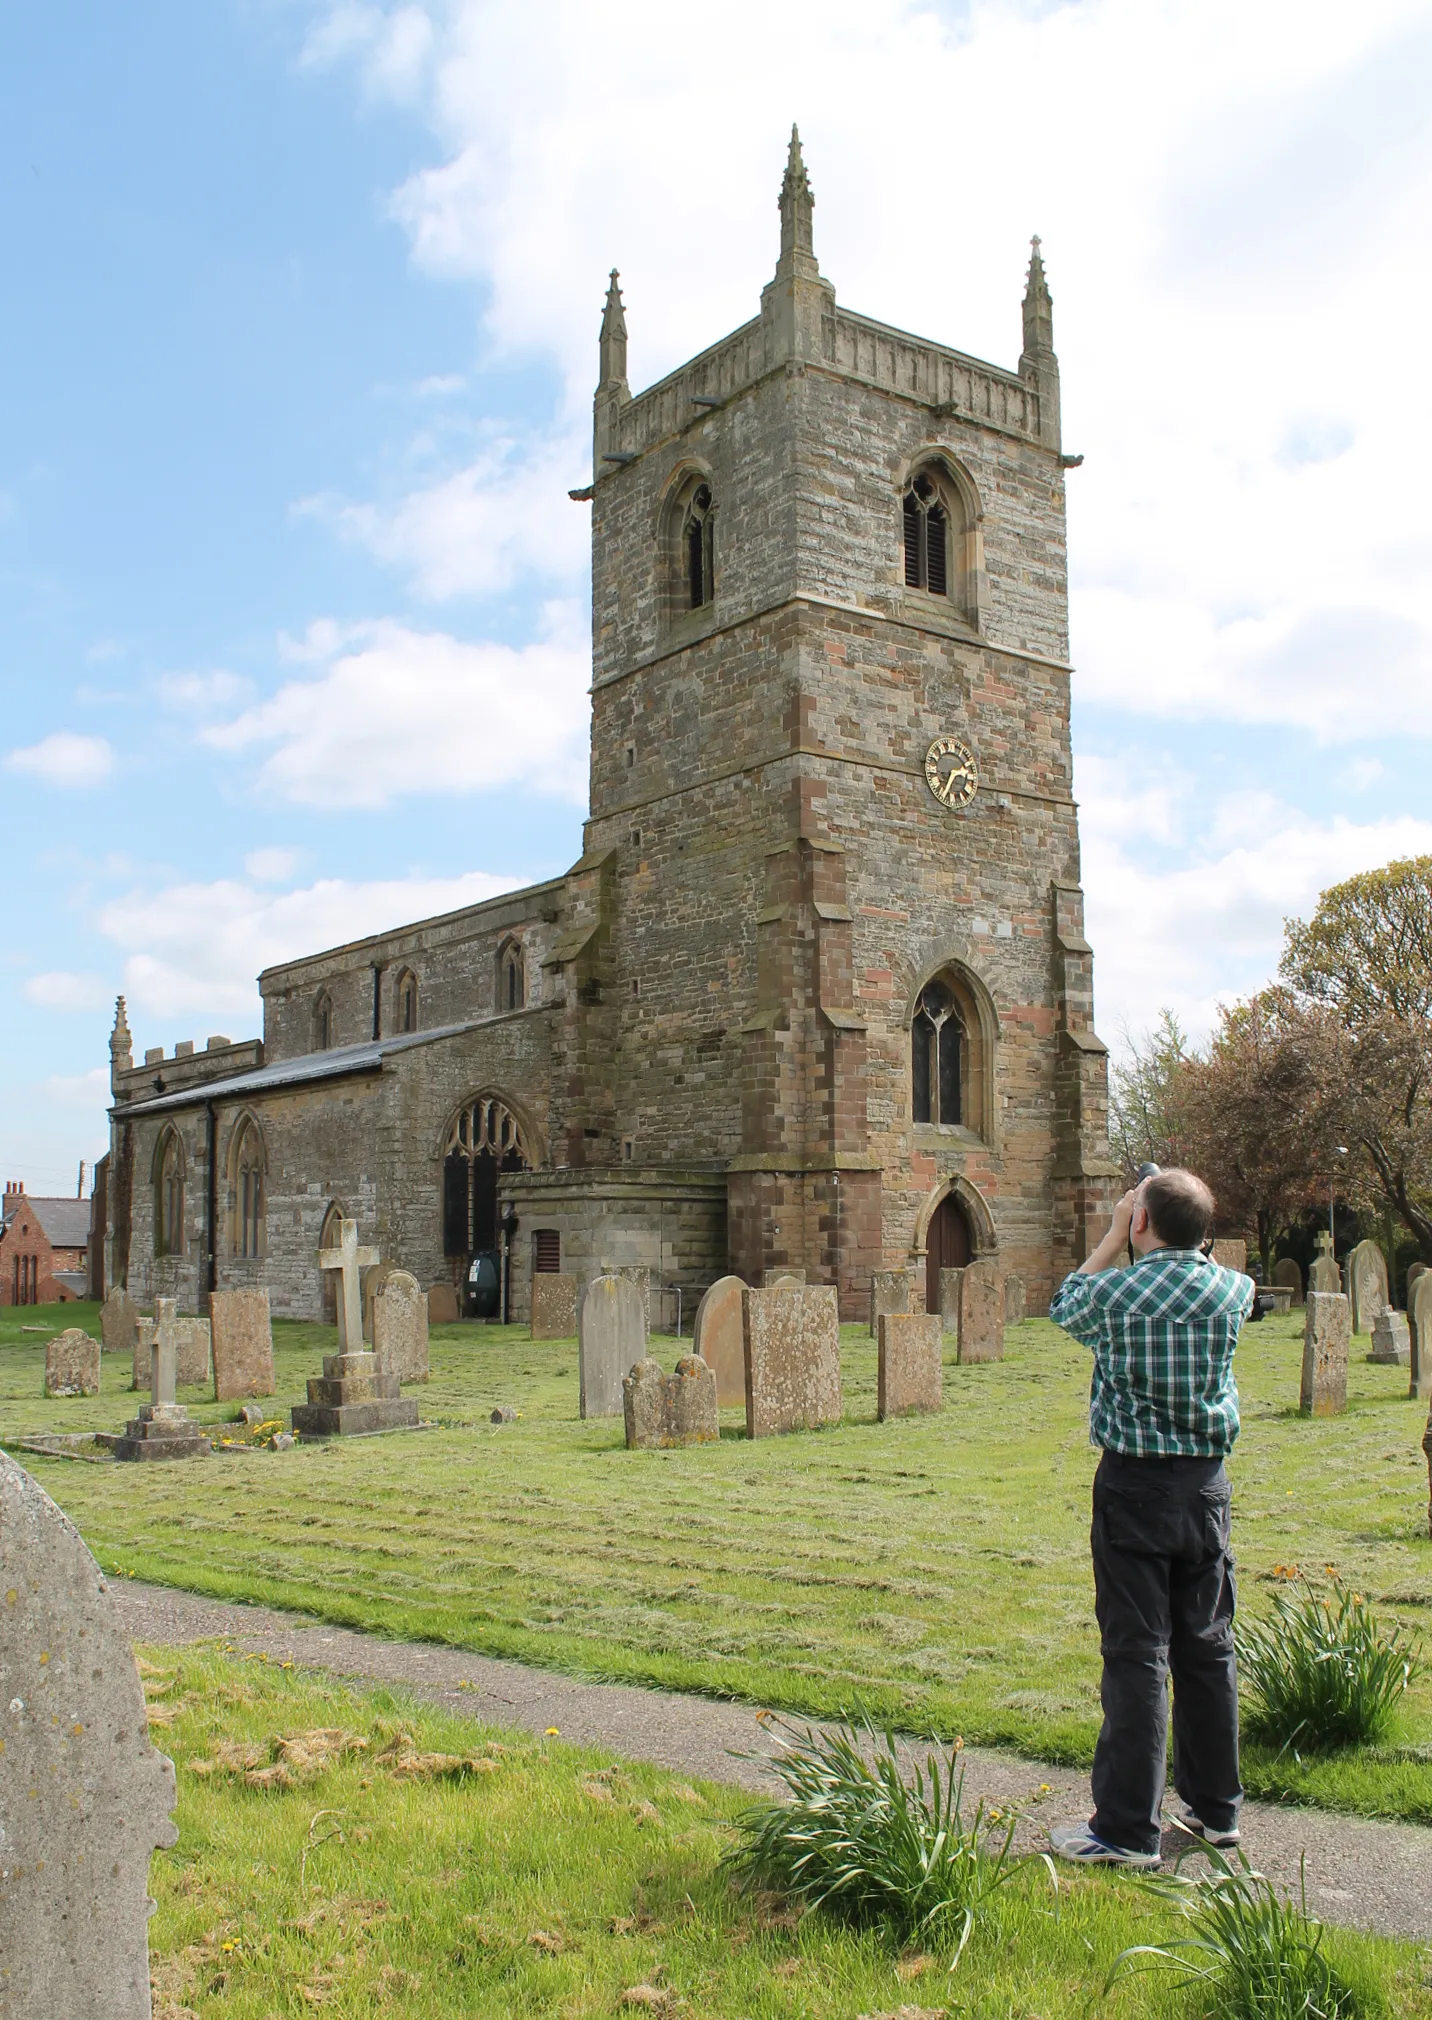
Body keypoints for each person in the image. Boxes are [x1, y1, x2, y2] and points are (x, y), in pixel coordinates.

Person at [1045, 1168, 1254, 1868]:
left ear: (1141, 1223)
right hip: (1205, 1490)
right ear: (1205, 1234)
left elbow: (1065, 1303)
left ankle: (1127, 1831)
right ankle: (1215, 1812)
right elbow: (1202, 1260)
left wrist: (1113, 1233)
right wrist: (1175, 1211)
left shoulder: (1114, 1295)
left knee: (1137, 1654)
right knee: (1208, 1647)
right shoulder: (1234, 1290)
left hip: (1134, 1487)